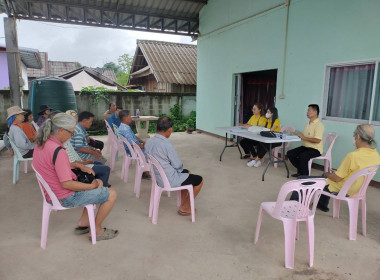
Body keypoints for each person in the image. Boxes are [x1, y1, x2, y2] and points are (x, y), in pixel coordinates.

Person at [33, 113, 118, 241]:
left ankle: (84, 222)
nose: (71, 136)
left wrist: (76, 165)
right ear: (61, 130)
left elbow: (52, 165)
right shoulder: (58, 150)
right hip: (64, 197)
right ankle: (97, 230)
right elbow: (67, 184)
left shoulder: (42, 143)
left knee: (95, 181)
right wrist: (91, 186)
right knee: (111, 193)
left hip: (51, 192)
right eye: (71, 133)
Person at [145, 117, 203, 216]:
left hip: (158, 178)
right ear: (170, 130)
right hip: (169, 179)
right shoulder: (166, 144)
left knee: (186, 172)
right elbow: (177, 165)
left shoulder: (149, 141)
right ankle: (185, 207)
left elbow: (148, 160)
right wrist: (178, 169)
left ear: (156, 127)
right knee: (199, 180)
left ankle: (184, 204)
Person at [316, 124, 380, 212]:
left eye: (354, 135)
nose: (353, 138)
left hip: (343, 189)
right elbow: (357, 172)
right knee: (329, 177)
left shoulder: (352, 156)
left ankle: (298, 208)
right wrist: (339, 172)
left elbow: (336, 178)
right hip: (357, 190)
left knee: (303, 180)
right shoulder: (376, 155)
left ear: (357, 137)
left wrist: (327, 173)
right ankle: (321, 204)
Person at [287, 104, 324, 177]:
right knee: (290, 153)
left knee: (302, 156)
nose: (307, 112)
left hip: (315, 149)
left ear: (315, 112)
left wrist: (304, 137)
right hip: (305, 147)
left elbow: (317, 140)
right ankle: (301, 170)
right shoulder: (307, 124)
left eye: (309, 110)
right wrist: (297, 134)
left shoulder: (319, 125)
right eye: (307, 110)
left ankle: (305, 176)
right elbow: (305, 136)